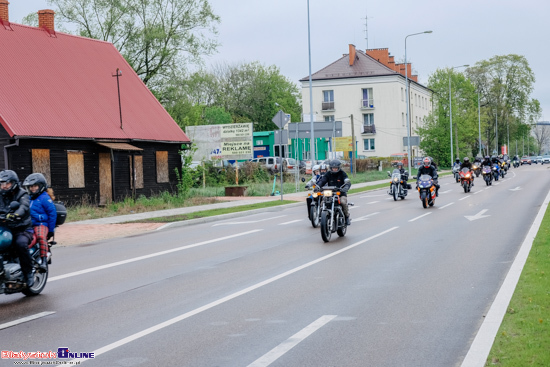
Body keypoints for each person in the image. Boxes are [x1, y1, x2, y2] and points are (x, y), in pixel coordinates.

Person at [0, 170, 35, 287]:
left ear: (14, 183)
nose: (4, 186)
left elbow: (23, 206)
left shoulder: (22, 194)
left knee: (20, 244)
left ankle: (28, 273)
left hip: (22, 228)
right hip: (5, 228)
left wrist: (16, 214)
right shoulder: (0, 194)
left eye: (7, 183)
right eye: (2, 183)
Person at [22, 173, 57, 272]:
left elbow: (52, 213)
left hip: (41, 224)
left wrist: (51, 230)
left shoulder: (44, 198)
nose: (32, 188)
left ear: (41, 186)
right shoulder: (27, 197)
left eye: (35, 186)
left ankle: (44, 261)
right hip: (28, 224)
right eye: (30, 186)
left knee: (41, 237)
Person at [316, 160, 352, 225]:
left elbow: (347, 181)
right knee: (322, 203)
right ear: (331, 168)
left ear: (338, 168)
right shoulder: (328, 174)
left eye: (336, 168)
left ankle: (346, 217)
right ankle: (322, 217)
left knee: (343, 202)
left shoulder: (342, 173)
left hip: (340, 193)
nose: (334, 169)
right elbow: (323, 180)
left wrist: (346, 187)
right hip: (330, 193)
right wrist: (318, 186)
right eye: (333, 168)